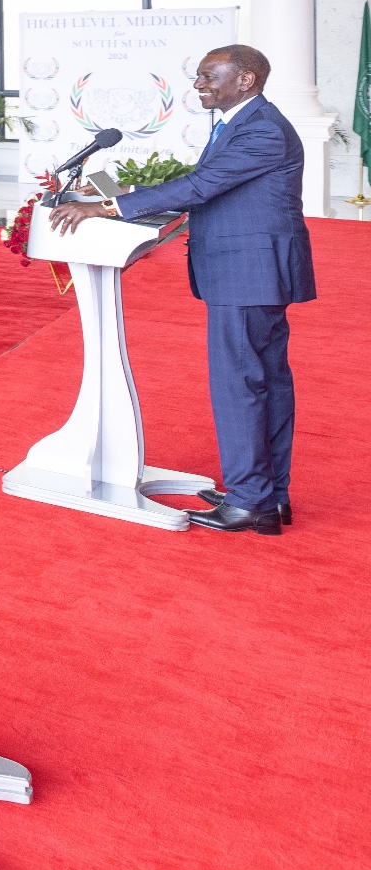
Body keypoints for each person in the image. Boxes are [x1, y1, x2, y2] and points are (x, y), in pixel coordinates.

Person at [48, 44, 314, 535]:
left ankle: (251, 501)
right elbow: (206, 182)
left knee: (241, 386)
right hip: (252, 273)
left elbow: (201, 187)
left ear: (246, 80)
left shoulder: (260, 128)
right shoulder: (243, 122)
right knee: (264, 383)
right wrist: (118, 193)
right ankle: (268, 494)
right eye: (198, 76)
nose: (198, 85)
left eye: (209, 76)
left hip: (247, 273)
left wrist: (105, 209)